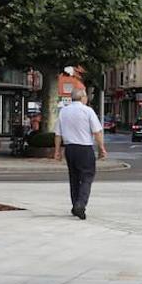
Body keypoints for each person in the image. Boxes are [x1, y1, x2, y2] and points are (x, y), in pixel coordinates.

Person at [53, 87, 106, 220]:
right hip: (85, 148)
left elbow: (58, 134)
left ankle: (75, 203)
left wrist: (57, 151)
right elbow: (97, 132)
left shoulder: (63, 112)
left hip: (70, 149)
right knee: (87, 177)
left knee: (74, 177)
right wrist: (101, 148)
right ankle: (80, 204)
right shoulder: (88, 111)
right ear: (83, 97)